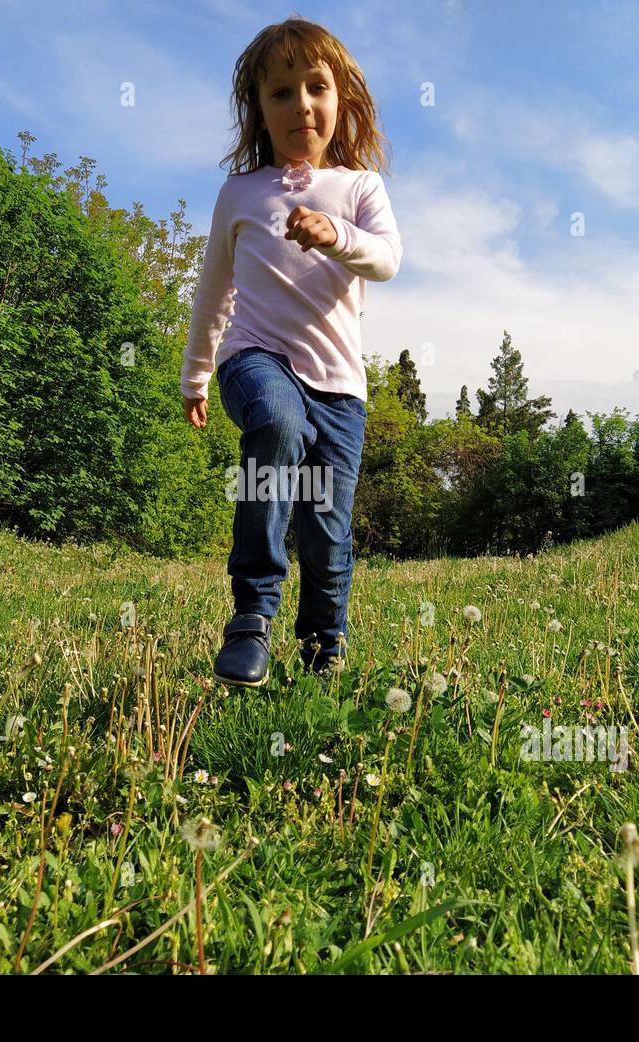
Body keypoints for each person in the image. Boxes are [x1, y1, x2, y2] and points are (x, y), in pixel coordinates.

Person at [181, 16, 403, 687]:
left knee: (328, 533)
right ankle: (250, 617)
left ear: (342, 102)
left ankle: (322, 648)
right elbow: (213, 292)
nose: (301, 105)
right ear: (260, 108)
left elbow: (388, 260)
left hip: (339, 385)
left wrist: (334, 233)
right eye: (281, 92)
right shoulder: (239, 195)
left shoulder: (360, 189)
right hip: (255, 359)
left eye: (316, 88)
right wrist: (195, 373)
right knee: (274, 423)